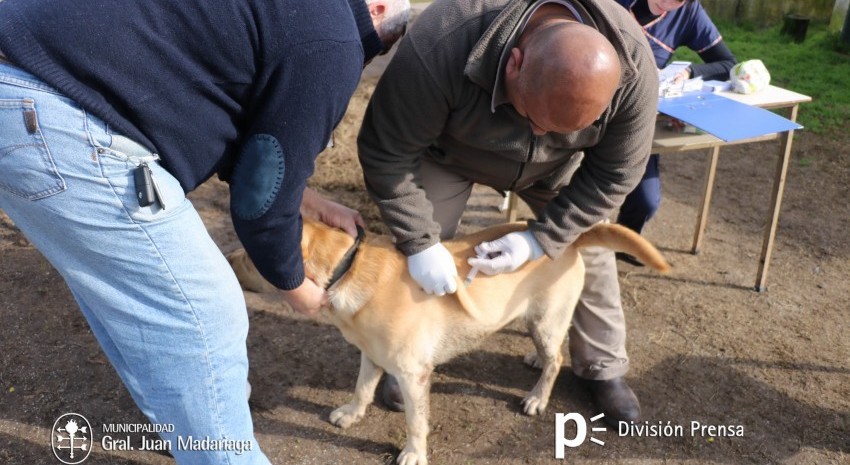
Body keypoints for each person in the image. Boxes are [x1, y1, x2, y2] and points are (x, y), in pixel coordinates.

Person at [0, 0, 409, 463]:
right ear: (377, 9)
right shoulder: (333, 38)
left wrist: (303, 196)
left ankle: (188, 431)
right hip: (53, 113)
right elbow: (259, 202)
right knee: (204, 313)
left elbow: (233, 111)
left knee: (137, 300)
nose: (362, 60)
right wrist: (294, 285)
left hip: (24, 80)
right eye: (375, 49)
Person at [358, 0, 658, 426]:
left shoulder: (634, 67)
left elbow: (616, 175)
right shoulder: (444, 38)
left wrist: (542, 238)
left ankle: (601, 367)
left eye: (557, 124)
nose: (537, 131)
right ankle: (405, 351)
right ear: (514, 62)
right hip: (452, 154)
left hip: (558, 167)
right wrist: (419, 242)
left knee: (588, 249)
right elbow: (386, 150)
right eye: (535, 116)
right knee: (419, 255)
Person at [614, 0, 737, 257]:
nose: (671, 3)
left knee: (645, 203)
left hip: (637, 118)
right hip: (586, 104)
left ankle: (621, 245)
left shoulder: (689, 12)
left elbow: (727, 64)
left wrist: (690, 72)